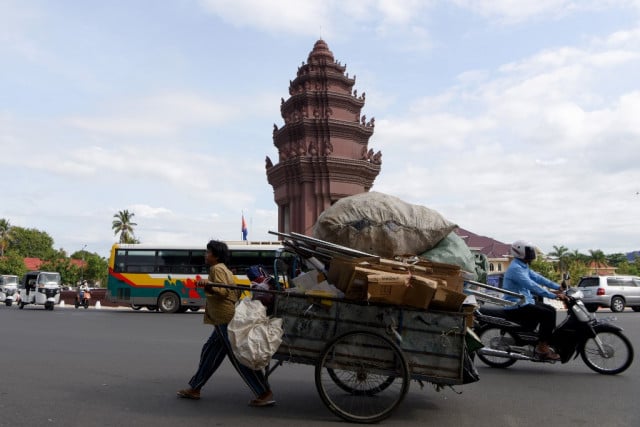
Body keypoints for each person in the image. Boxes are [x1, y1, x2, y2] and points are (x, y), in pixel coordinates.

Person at [176, 240, 275, 406]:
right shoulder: (225, 270)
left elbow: (222, 291)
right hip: (222, 319)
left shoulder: (217, 269)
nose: (205, 255)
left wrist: (208, 286)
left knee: (238, 358)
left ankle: (263, 392)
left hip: (224, 319)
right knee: (209, 352)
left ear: (215, 256)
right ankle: (195, 387)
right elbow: (232, 292)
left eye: (208, 252)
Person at [502, 240, 567, 360]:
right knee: (547, 314)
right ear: (520, 252)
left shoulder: (523, 265)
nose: (531, 254)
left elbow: (538, 278)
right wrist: (554, 296)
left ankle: (543, 340)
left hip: (525, 301)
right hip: (516, 304)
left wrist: (557, 287)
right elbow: (532, 285)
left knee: (551, 310)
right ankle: (541, 348)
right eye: (529, 252)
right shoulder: (516, 268)